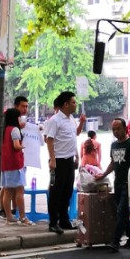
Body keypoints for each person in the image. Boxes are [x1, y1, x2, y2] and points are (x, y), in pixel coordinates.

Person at [45, 91, 86, 233]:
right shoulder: (55, 120)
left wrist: (76, 156)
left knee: (67, 191)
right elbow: (49, 140)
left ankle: (64, 220)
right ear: (66, 104)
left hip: (69, 160)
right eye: (73, 102)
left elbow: (75, 135)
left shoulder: (71, 119)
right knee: (56, 192)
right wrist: (53, 159)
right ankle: (53, 222)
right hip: (59, 161)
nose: (75, 105)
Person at [96, 117, 130, 251]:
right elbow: (113, 163)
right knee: (123, 212)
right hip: (118, 182)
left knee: (121, 211)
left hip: (129, 182)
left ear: (125, 128)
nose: (116, 131)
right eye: (113, 129)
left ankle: (115, 241)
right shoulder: (114, 145)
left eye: (118, 129)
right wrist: (103, 175)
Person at [1, 107, 31, 225]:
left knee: (7, 191)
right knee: (20, 190)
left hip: (5, 164)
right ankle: (23, 217)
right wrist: (24, 146)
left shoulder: (5, 129)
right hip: (15, 163)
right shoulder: (14, 130)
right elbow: (16, 146)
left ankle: (9, 216)